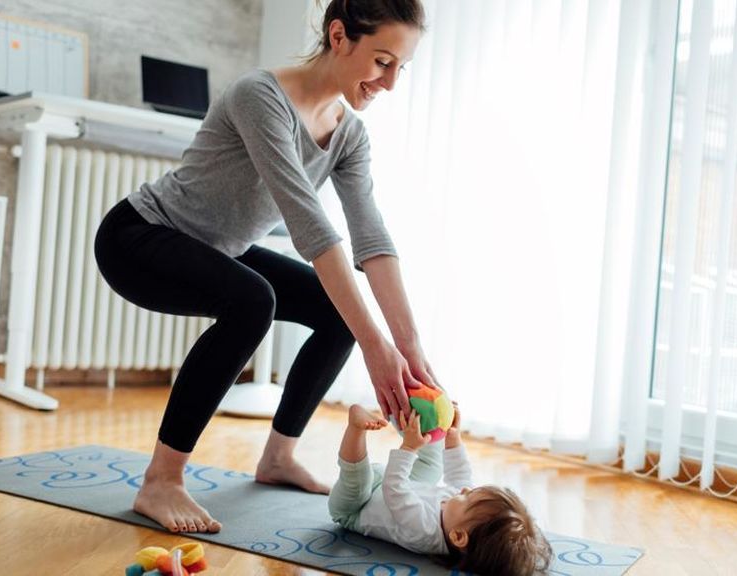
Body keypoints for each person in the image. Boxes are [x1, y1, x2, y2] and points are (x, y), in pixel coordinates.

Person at [94, 0, 434, 534]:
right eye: (382, 61)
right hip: (139, 237)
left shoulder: (349, 134)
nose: (389, 83)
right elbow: (310, 227)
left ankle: (277, 458)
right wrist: (376, 349)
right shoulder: (261, 96)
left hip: (219, 248)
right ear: (340, 35)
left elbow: (371, 240)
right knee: (253, 300)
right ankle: (161, 480)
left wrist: (409, 351)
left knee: (334, 309)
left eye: (400, 68)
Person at [329, 405, 553, 575]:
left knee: (356, 480)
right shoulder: (458, 514)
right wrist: (452, 436)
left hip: (356, 507)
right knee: (433, 465)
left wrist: (408, 448)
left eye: (467, 497)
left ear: (458, 536)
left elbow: (394, 489)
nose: (465, 489)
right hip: (400, 484)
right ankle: (426, 420)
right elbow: (460, 475)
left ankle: (356, 428)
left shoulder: (424, 531)